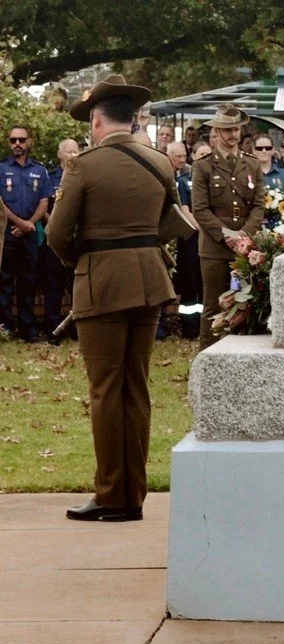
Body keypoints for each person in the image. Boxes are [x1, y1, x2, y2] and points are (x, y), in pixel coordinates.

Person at [46, 76, 179, 521]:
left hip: (102, 282)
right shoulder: (161, 162)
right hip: (150, 280)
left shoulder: (84, 165)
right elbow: (170, 220)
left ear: (98, 120)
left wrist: (82, 262)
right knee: (135, 388)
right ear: (134, 117)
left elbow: (57, 234)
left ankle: (110, 495)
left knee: (105, 391)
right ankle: (133, 496)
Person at [191, 105, 266, 349]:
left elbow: (258, 205)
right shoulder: (203, 166)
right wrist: (226, 235)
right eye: (227, 129)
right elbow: (200, 210)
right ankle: (207, 356)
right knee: (213, 304)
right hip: (214, 247)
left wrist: (244, 235)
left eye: (236, 129)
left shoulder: (252, 165)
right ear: (216, 132)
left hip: (244, 248)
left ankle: (239, 354)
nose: (233, 134)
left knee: (243, 302)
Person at [0, 125, 54, 341]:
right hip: (7, 233)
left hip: (30, 234)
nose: (17, 145)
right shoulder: (1, 169)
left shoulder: (40, 171)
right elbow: (0, 203)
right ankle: (5, 328)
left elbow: (44, 201)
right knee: (4, 281)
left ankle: (28, 329)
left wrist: (29, 224)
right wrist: (19, 223)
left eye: (21, 140)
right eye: (13, 140)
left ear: (29, 141)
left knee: (28, 282)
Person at [40, 138, 80, 341]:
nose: (73, 155)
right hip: (54, 240)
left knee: (77, 287)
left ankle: (77, 330)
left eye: (76, 151)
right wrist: (55, 227)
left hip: (77, 241)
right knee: (53, 286)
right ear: (60, 154)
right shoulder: (50, 176)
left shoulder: (83, 175)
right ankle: (53, 329)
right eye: (68, 151)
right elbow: (44, 206)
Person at [166, 140, 201, 340]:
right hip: (188, 236)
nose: (181, 159)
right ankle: (189, 328)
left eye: (183, 155)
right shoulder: (183, 180)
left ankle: (205, 325)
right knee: (189, 284)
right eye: (177, 156)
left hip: (208, 237)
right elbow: (184, 209)